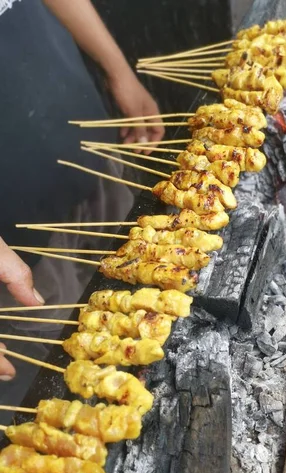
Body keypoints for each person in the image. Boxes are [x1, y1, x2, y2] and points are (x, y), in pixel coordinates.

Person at [0, 0, 165, 381]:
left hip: (79, 132)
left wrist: (118, 70)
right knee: (79, 350)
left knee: (140, 266)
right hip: (15, 239)